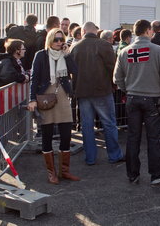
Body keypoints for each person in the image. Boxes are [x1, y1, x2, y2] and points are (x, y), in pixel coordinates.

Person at [114, 19, 160, 187]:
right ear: (149, 31)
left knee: (133, 138)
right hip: (153, 99)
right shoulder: (157, 50)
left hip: (132, 99)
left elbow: (117, 78)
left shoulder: (124, 51)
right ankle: (156, 176)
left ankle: (132, 175)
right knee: (154, 139)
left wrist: (128, 90)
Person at [29, 28, 80, 184]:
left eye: (61, 39)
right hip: (46, 96)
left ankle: (64, 171)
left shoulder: (65, 54)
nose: (59, 42)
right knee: (47, 134)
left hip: (63, 96)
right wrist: (32, 99)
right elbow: (34, 79)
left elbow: (75, 71)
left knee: (66, 134)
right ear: (50, 40)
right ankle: (51, 173)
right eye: (56, 39)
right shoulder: (41, 55)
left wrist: (67, 54)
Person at [71, 21, 124, 165]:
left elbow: (73, 72)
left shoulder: (75, 47)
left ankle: (90, 158)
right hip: (102, 90)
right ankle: (114, 155)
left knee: (87, 126)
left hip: (82, 92)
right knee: (109, 123)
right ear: (95, 31)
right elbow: (112, 67)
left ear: (83, 32)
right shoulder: (104, 45)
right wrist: (114, 85)